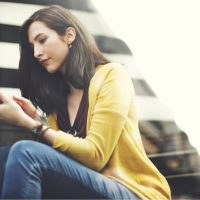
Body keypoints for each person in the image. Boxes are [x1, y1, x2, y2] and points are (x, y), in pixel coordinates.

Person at [0, 5, 171, 199]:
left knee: (25, 153)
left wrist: (30, 124)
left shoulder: (112, 76)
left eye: (42, 40)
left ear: (69, 35)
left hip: (134, 192)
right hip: (91, 186)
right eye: (32, 47)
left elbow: (95, 156)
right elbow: (65, 160)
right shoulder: (58, 102)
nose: (36, 53)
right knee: (3, 158)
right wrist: (33, 118)